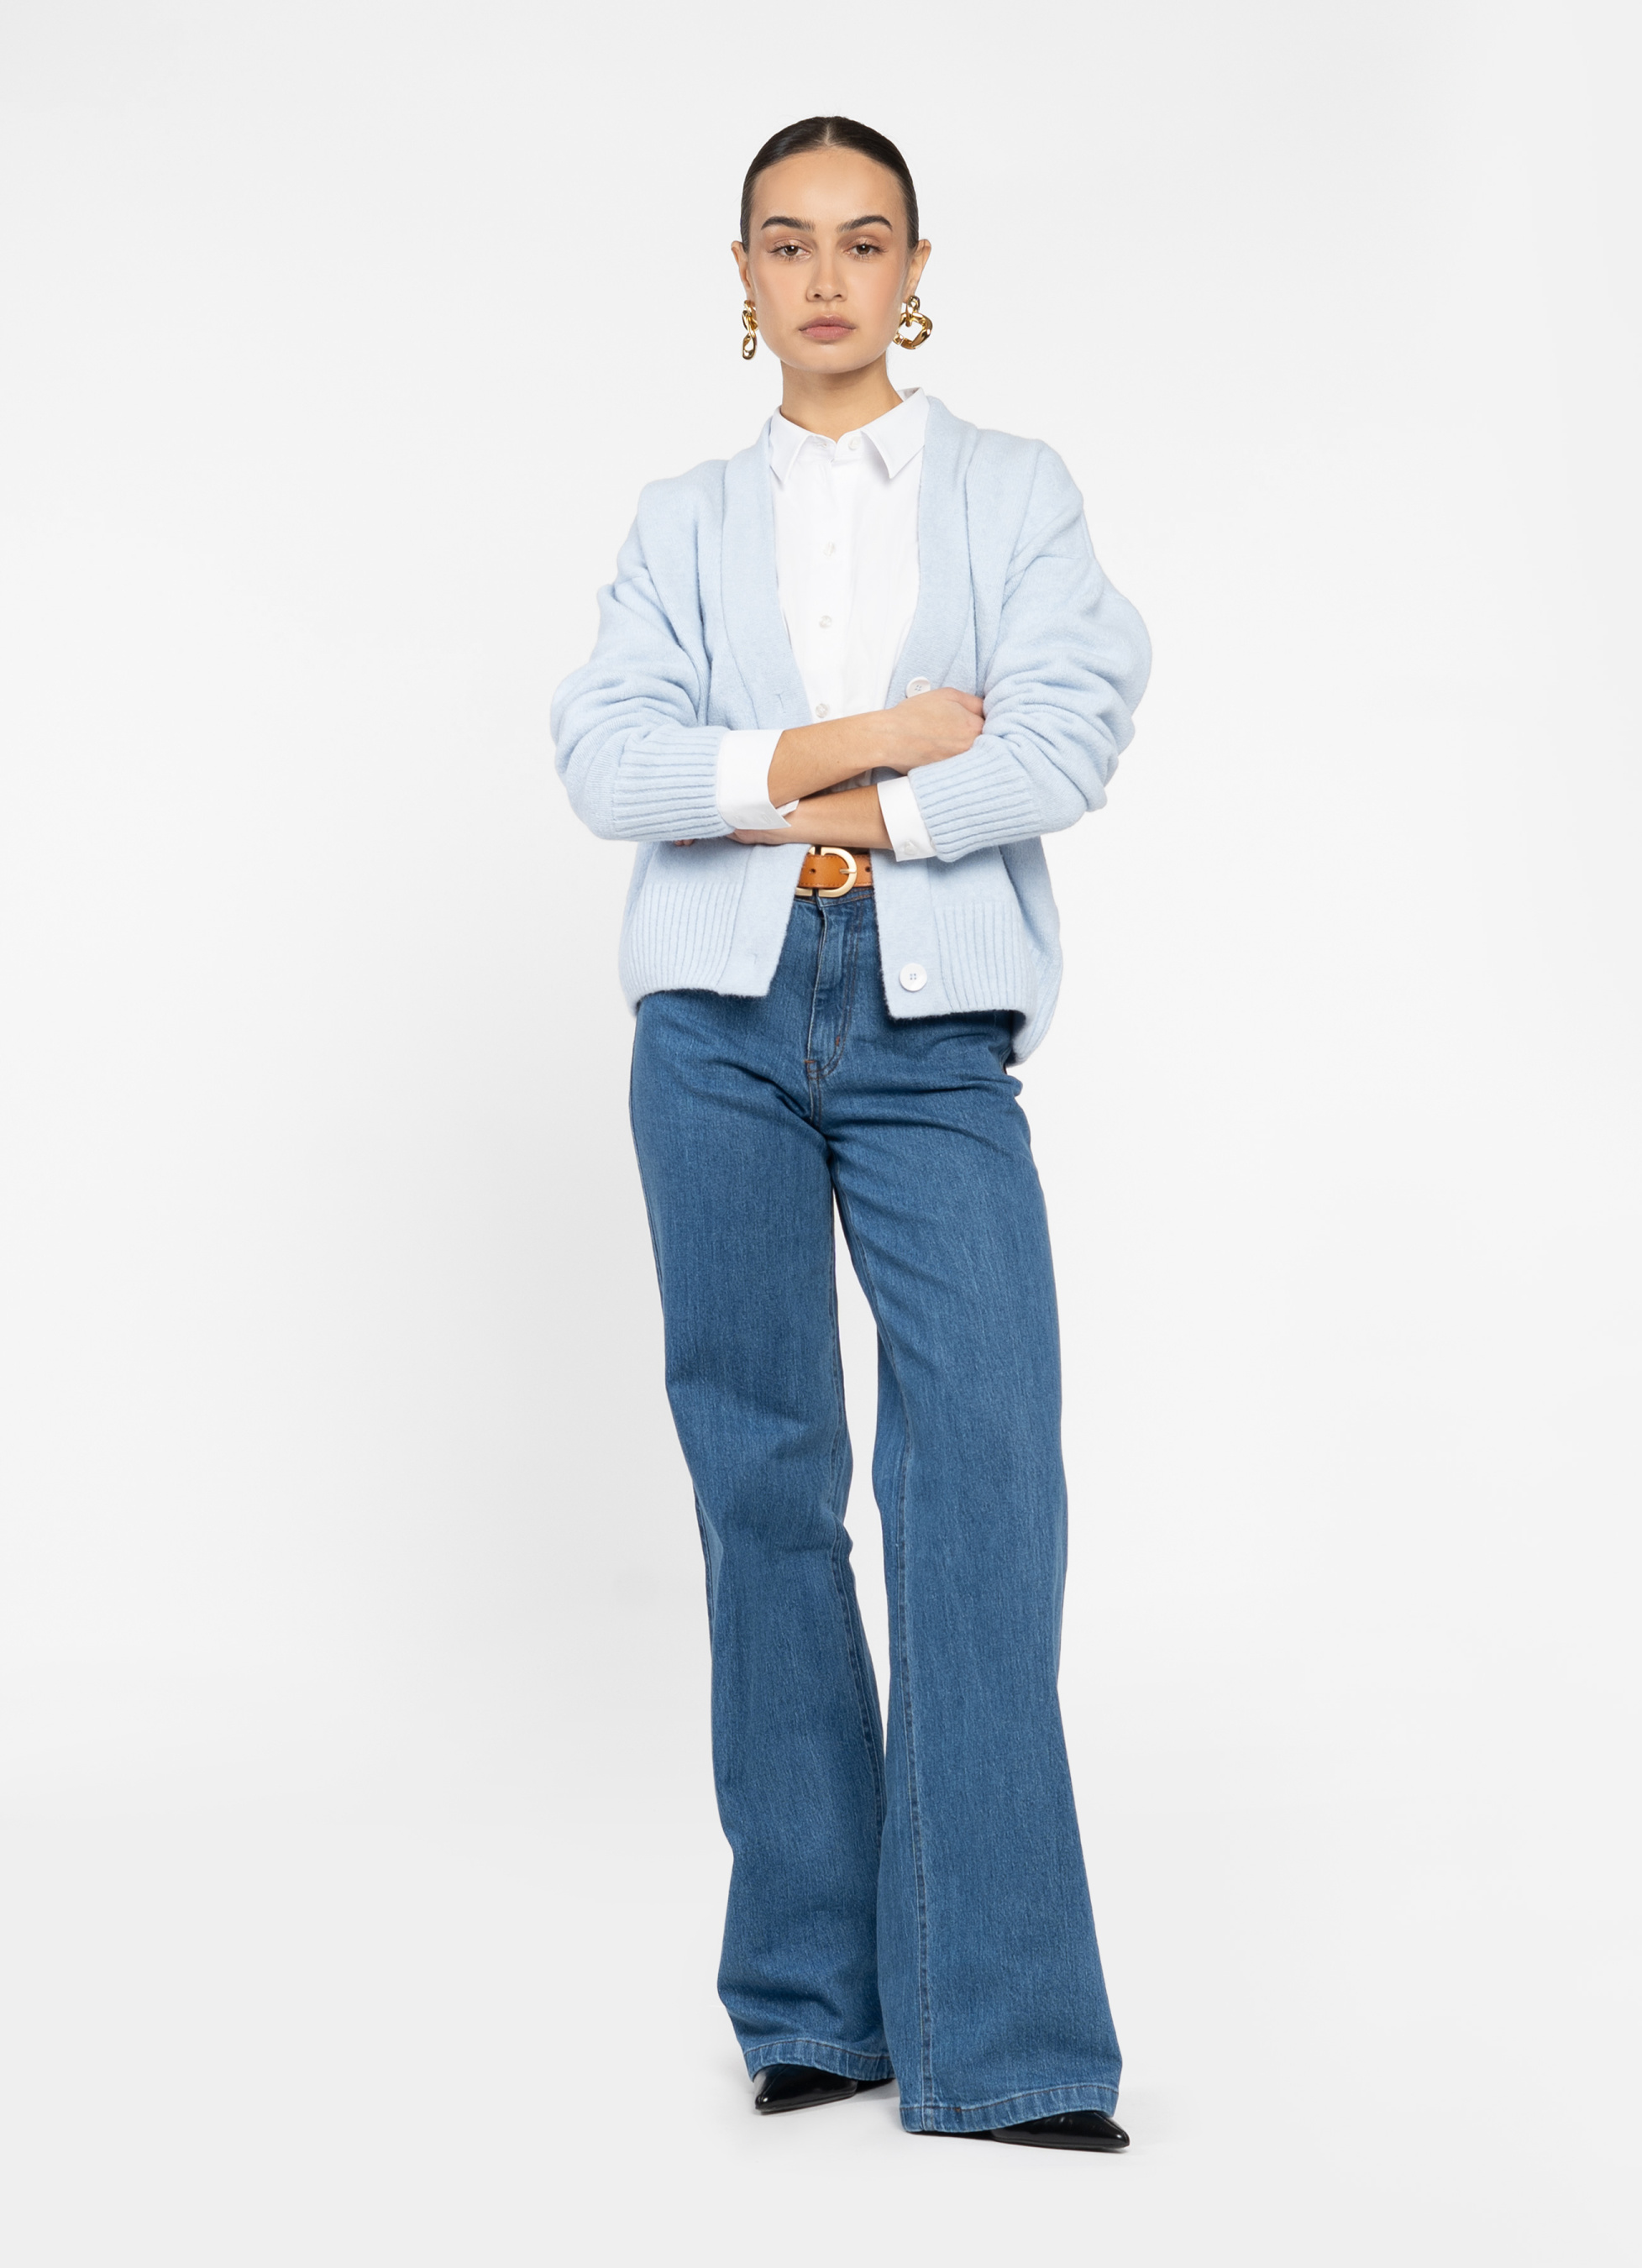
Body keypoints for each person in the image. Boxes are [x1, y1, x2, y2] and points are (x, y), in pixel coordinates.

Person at [551, 115, 1151, 2151]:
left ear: (915, 271)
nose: (825, 278)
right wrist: (892, 738)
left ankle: (1002, 2036)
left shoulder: (1013, 491)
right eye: (787, 244)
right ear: (740, 277)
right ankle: (813, 2002)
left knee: (980, 1484)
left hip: (925, 1027)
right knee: (765, 1490)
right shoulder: (676, 518)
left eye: (863, 240)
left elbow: (1062, 736)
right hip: (711, 1031)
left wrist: (801, 805)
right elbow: (608, 766)